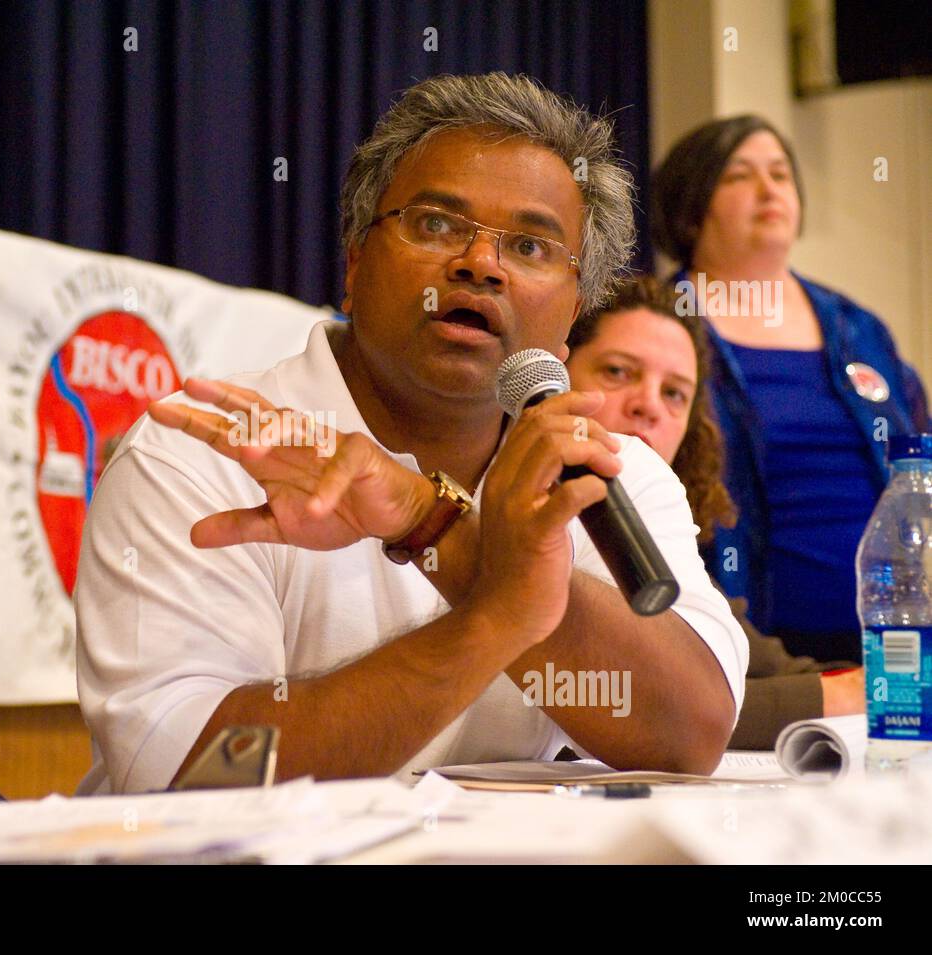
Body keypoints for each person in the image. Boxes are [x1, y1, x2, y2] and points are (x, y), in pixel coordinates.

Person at [74, 73, 747, 795]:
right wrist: (496, 615)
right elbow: (189, 778)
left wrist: (439, 531)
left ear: (573, 312)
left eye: (530, 246)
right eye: (435, 224)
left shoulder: (613, 469)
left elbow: (690, 734)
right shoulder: (200, 457)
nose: (480, 264)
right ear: (356, 264)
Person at [653, 115, 929, 664]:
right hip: (745, 645)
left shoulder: (858, 327)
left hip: (890, 638)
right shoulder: (659, 326)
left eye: (780, 173)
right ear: (690, 207)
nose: (769, 189)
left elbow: (917, 461)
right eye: (739, 176)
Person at [564, 275, 863, 751]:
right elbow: (662, 711)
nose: (649, 407)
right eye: (618, 372)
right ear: (557, 374)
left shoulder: (668, 527)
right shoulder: (530, 511)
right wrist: (846, 695)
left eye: (674, 393)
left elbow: (760, 663)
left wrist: (870, 686)